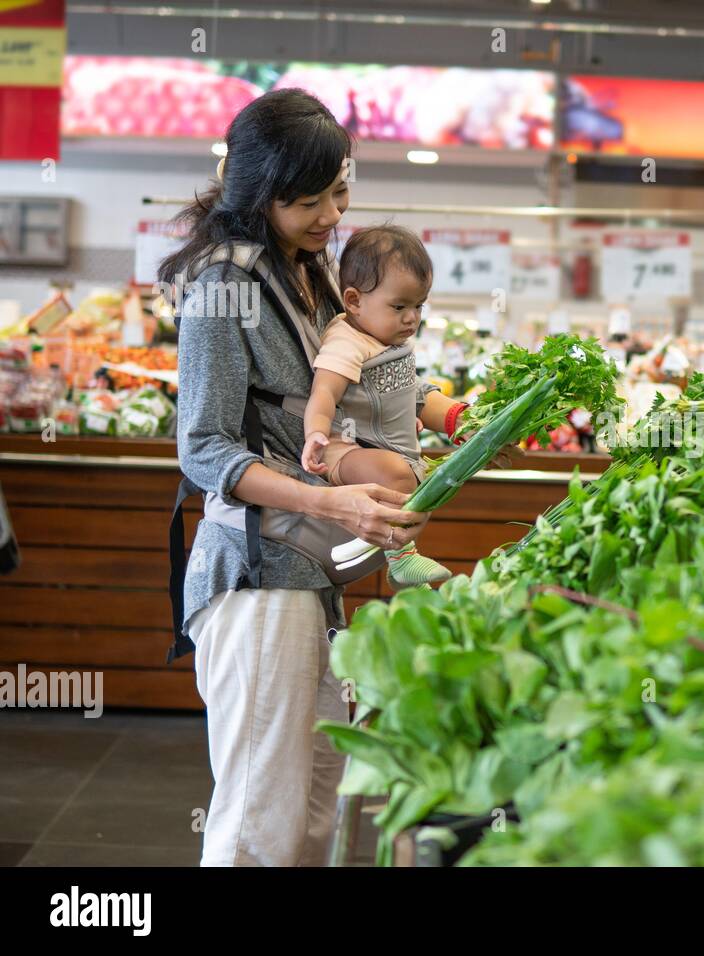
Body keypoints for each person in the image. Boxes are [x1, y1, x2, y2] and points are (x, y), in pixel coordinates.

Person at [163, 89, 481, 867]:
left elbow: (360, 380)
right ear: (258, 193)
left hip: (306, 576)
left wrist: (448, 414)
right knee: (256, 819)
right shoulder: (224, 282)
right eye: (307, 200)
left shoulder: (305, 274)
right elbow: (202, 447)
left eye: (339, 191)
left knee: (311, 806)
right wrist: (328, 497)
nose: (332, 215)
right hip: (254, 575)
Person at [300, 225, 460, 587]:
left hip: (381, 443)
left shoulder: (387, 337)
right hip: (343, 450)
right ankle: (401, 558)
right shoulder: (348, 342)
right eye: (399, 306)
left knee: (423, 479)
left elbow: (410, 392)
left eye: (418, 306)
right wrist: (315, 436)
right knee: (395, 474)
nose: (411, 318)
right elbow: (323, 394)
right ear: (354, 301)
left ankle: (376, 547)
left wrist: (454, 417)